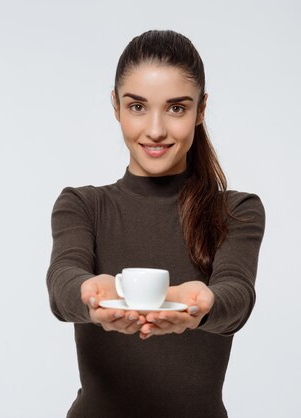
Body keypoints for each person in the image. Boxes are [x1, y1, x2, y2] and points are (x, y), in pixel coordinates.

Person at [46, 29, 265, 418]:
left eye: (177, 108)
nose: (156, 130)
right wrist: (87, 293)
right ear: (115, 106)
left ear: (201, 110)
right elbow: (63, 280)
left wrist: (204, 303)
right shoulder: (82, 204)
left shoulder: (237, 210)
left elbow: (237, 294)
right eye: (137, 107)